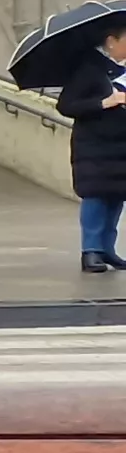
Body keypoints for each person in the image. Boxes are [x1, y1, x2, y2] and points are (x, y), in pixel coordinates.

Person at [64, 21, 126, 274]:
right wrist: (105, 102)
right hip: (94, 146)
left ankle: (107, 249)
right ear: (111, 41)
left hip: (121, 146)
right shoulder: (89, 69)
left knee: (116, 197)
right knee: (96, 196)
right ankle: (91, 250)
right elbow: (66, 105)